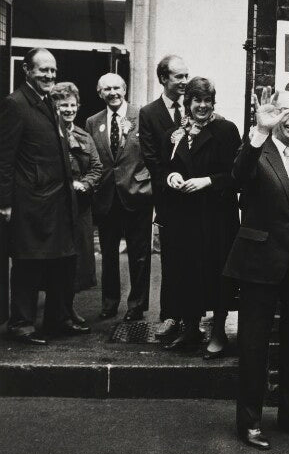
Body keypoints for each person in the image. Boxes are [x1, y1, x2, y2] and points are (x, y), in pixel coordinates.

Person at [223, 88, 289, 450]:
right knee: (254, 346)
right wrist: (259, 133)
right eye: (286, 111)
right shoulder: (257, 153)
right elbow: (237, 177)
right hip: (259, 265)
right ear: (273, 116)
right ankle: (249, 422)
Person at [0, 48, 87, 343]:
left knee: (61, 261)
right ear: (27, 70)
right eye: (43, 70)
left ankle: (58, 319)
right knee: (28, 263)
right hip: (32, 201)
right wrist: (5, 202)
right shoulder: (15, 104)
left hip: (59, 200)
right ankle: (21, 325)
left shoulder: (48, 101)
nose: (49, 76)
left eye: (53, 70)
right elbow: (4, 158)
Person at [159, 77, 240, 357]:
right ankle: (191, 328)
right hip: (186, 218)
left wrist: (208, 181)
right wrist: (172, 176)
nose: (202, 106)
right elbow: (165, 165)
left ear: (213, 102)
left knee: (217, 274)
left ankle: (218, 333)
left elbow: (236, 175)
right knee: (187, 271)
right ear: (188, 103)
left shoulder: (226, 130)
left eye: (207, 101)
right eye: (197, 100)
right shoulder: (177, 133)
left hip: (216, 218)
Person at [85, 73, 153, 322]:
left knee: (140, 254)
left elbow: (151, 154)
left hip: (137, 194)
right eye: (106, 89)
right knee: (109, 253)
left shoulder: (141, 115)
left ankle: (137, 305)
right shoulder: (93, 122)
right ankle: (109, 303)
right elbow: (92, 158)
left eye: (116, 87)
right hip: (106, 196)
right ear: (99, 93)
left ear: (124, 89)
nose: (112, 92)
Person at [139, 55, 189, 340]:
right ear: (163, 79)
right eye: (178, 77)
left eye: (185, 76)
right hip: (169, 200)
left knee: (192, 256)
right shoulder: (149, 113)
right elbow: (151, 157)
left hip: (194, 197)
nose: (183, 82)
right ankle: (169, 315)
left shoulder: (193, 108)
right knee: (170, 258)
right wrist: (170, 181)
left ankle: (190, 316)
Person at [51, 82, 103, 323]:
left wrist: (86, 184)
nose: (69, 110)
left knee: (78, 260)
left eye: (73, 105)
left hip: (80, 208)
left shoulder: (84, 136)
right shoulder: (49, 134)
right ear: (55, 107)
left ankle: (68, 309)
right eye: (64, 106)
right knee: (56, 261)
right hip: (55, 207)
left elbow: (96, 167)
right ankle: (56, 313)